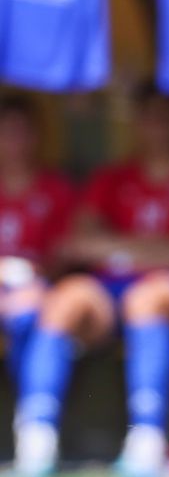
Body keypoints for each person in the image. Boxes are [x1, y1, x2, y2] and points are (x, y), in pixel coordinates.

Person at [14, 87, 169, 477]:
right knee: (64, 298)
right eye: (147, 116)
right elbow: (77, 243)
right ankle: (36, 439)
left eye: (165, 116)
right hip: (111, 288)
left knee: (147, 298)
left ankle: (146, 438)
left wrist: (118, 248)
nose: (155, 127)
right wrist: (156, 248)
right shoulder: (112, 177)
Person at [0, 95, 76, 423]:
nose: (14, 140)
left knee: (32, 313)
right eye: (7, 131)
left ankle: (36, 426)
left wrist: (39, 280)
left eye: (22, 131)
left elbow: (64, 255)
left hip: (39, 290)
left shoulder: (56, 189)